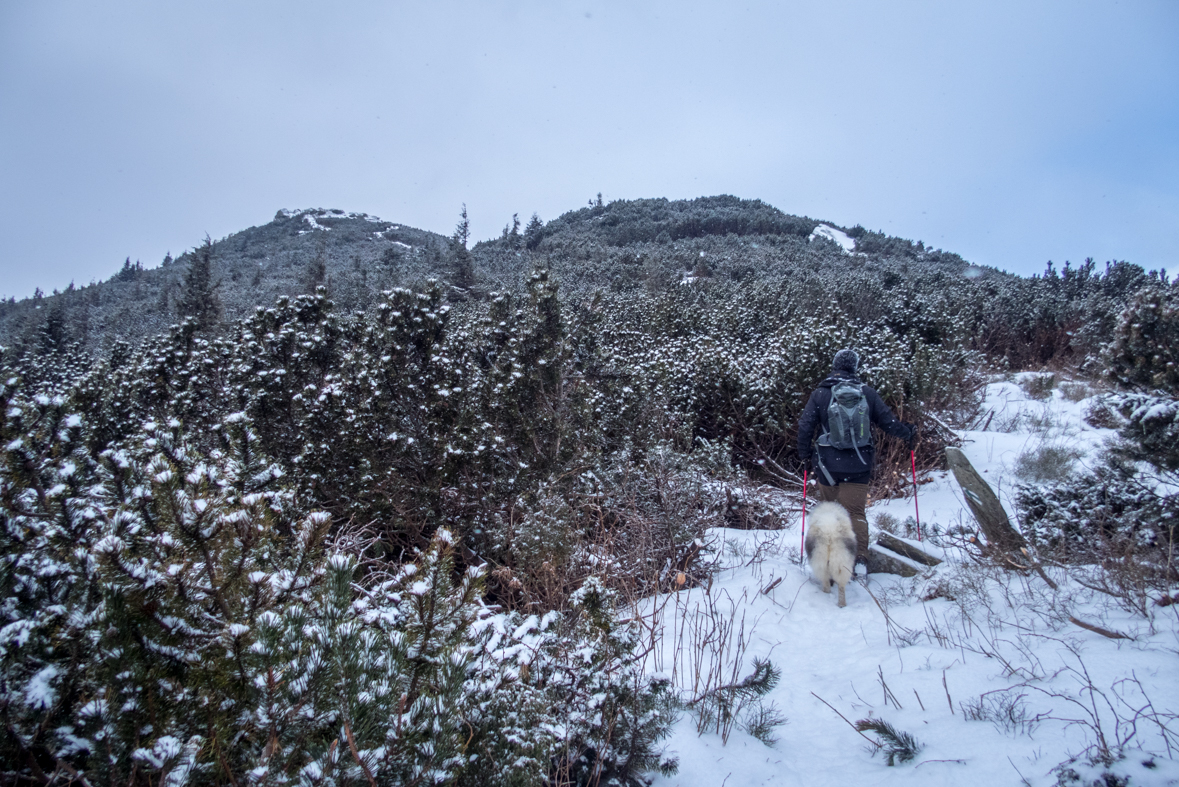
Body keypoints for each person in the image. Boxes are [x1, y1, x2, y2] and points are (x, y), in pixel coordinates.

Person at [797, 349, 914, 574]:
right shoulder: (866, 393)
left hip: (827, 465)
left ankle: (827, 561)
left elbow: (805, 426)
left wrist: (804, 456)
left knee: (828, 511)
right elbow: (888, 423)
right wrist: (908, 432)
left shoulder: (820, 394)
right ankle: (860, 560)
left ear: (834, 366)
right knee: (856, 512)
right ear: (855, 368)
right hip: (859, 464)